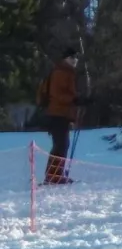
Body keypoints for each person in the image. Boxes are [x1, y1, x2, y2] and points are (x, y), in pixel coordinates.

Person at [37, 47, 82, 185]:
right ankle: (53, 176)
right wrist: (74, 100)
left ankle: (56, 175)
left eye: (76, 57)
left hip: (61, 113)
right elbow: (57, 94)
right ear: (65, 59)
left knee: (62, 144)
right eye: (71, 57)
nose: (75, 60)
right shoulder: (61, 72)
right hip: (57, 113)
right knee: (60, 144)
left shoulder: (66, 72)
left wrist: (78, 99)